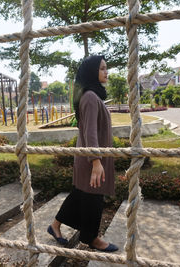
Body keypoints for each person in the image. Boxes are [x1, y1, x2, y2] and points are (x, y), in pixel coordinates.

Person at [47, 55, 118, 252]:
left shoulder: (92, 96)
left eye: (106, 68)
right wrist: (96, 161)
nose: (106, 72)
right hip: (90, 159)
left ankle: (55, 226)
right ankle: (92, 238)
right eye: (102, 68)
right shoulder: (89, 97)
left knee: (79, 194)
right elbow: (90, 132)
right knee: (93, 198)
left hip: (88, 157)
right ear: (92, 71)